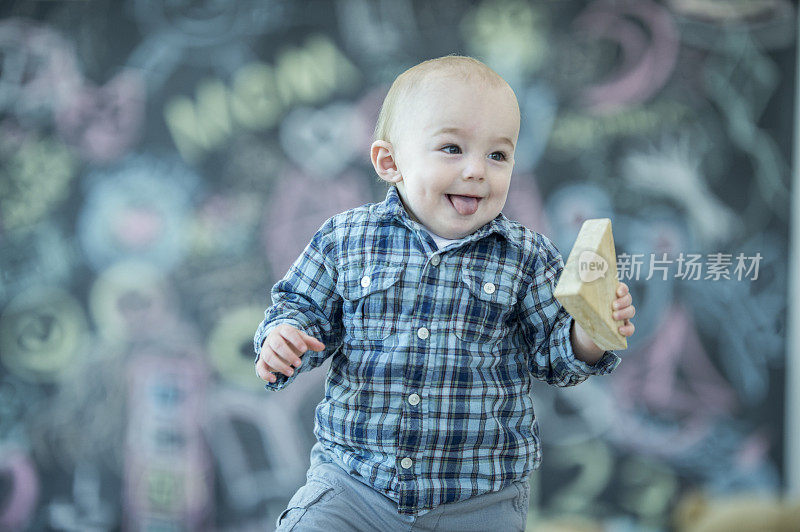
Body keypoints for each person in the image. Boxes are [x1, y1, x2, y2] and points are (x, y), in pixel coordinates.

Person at [254, 55, 636, 531]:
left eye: (498, 155)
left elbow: (556, 357)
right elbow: (300, 307)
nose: (477, 170)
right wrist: (283, 338)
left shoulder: (527, 255)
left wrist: (591, 328)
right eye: (452, 148)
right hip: (353, 486)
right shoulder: (345, 239)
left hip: (478, 501)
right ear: (389, 162)